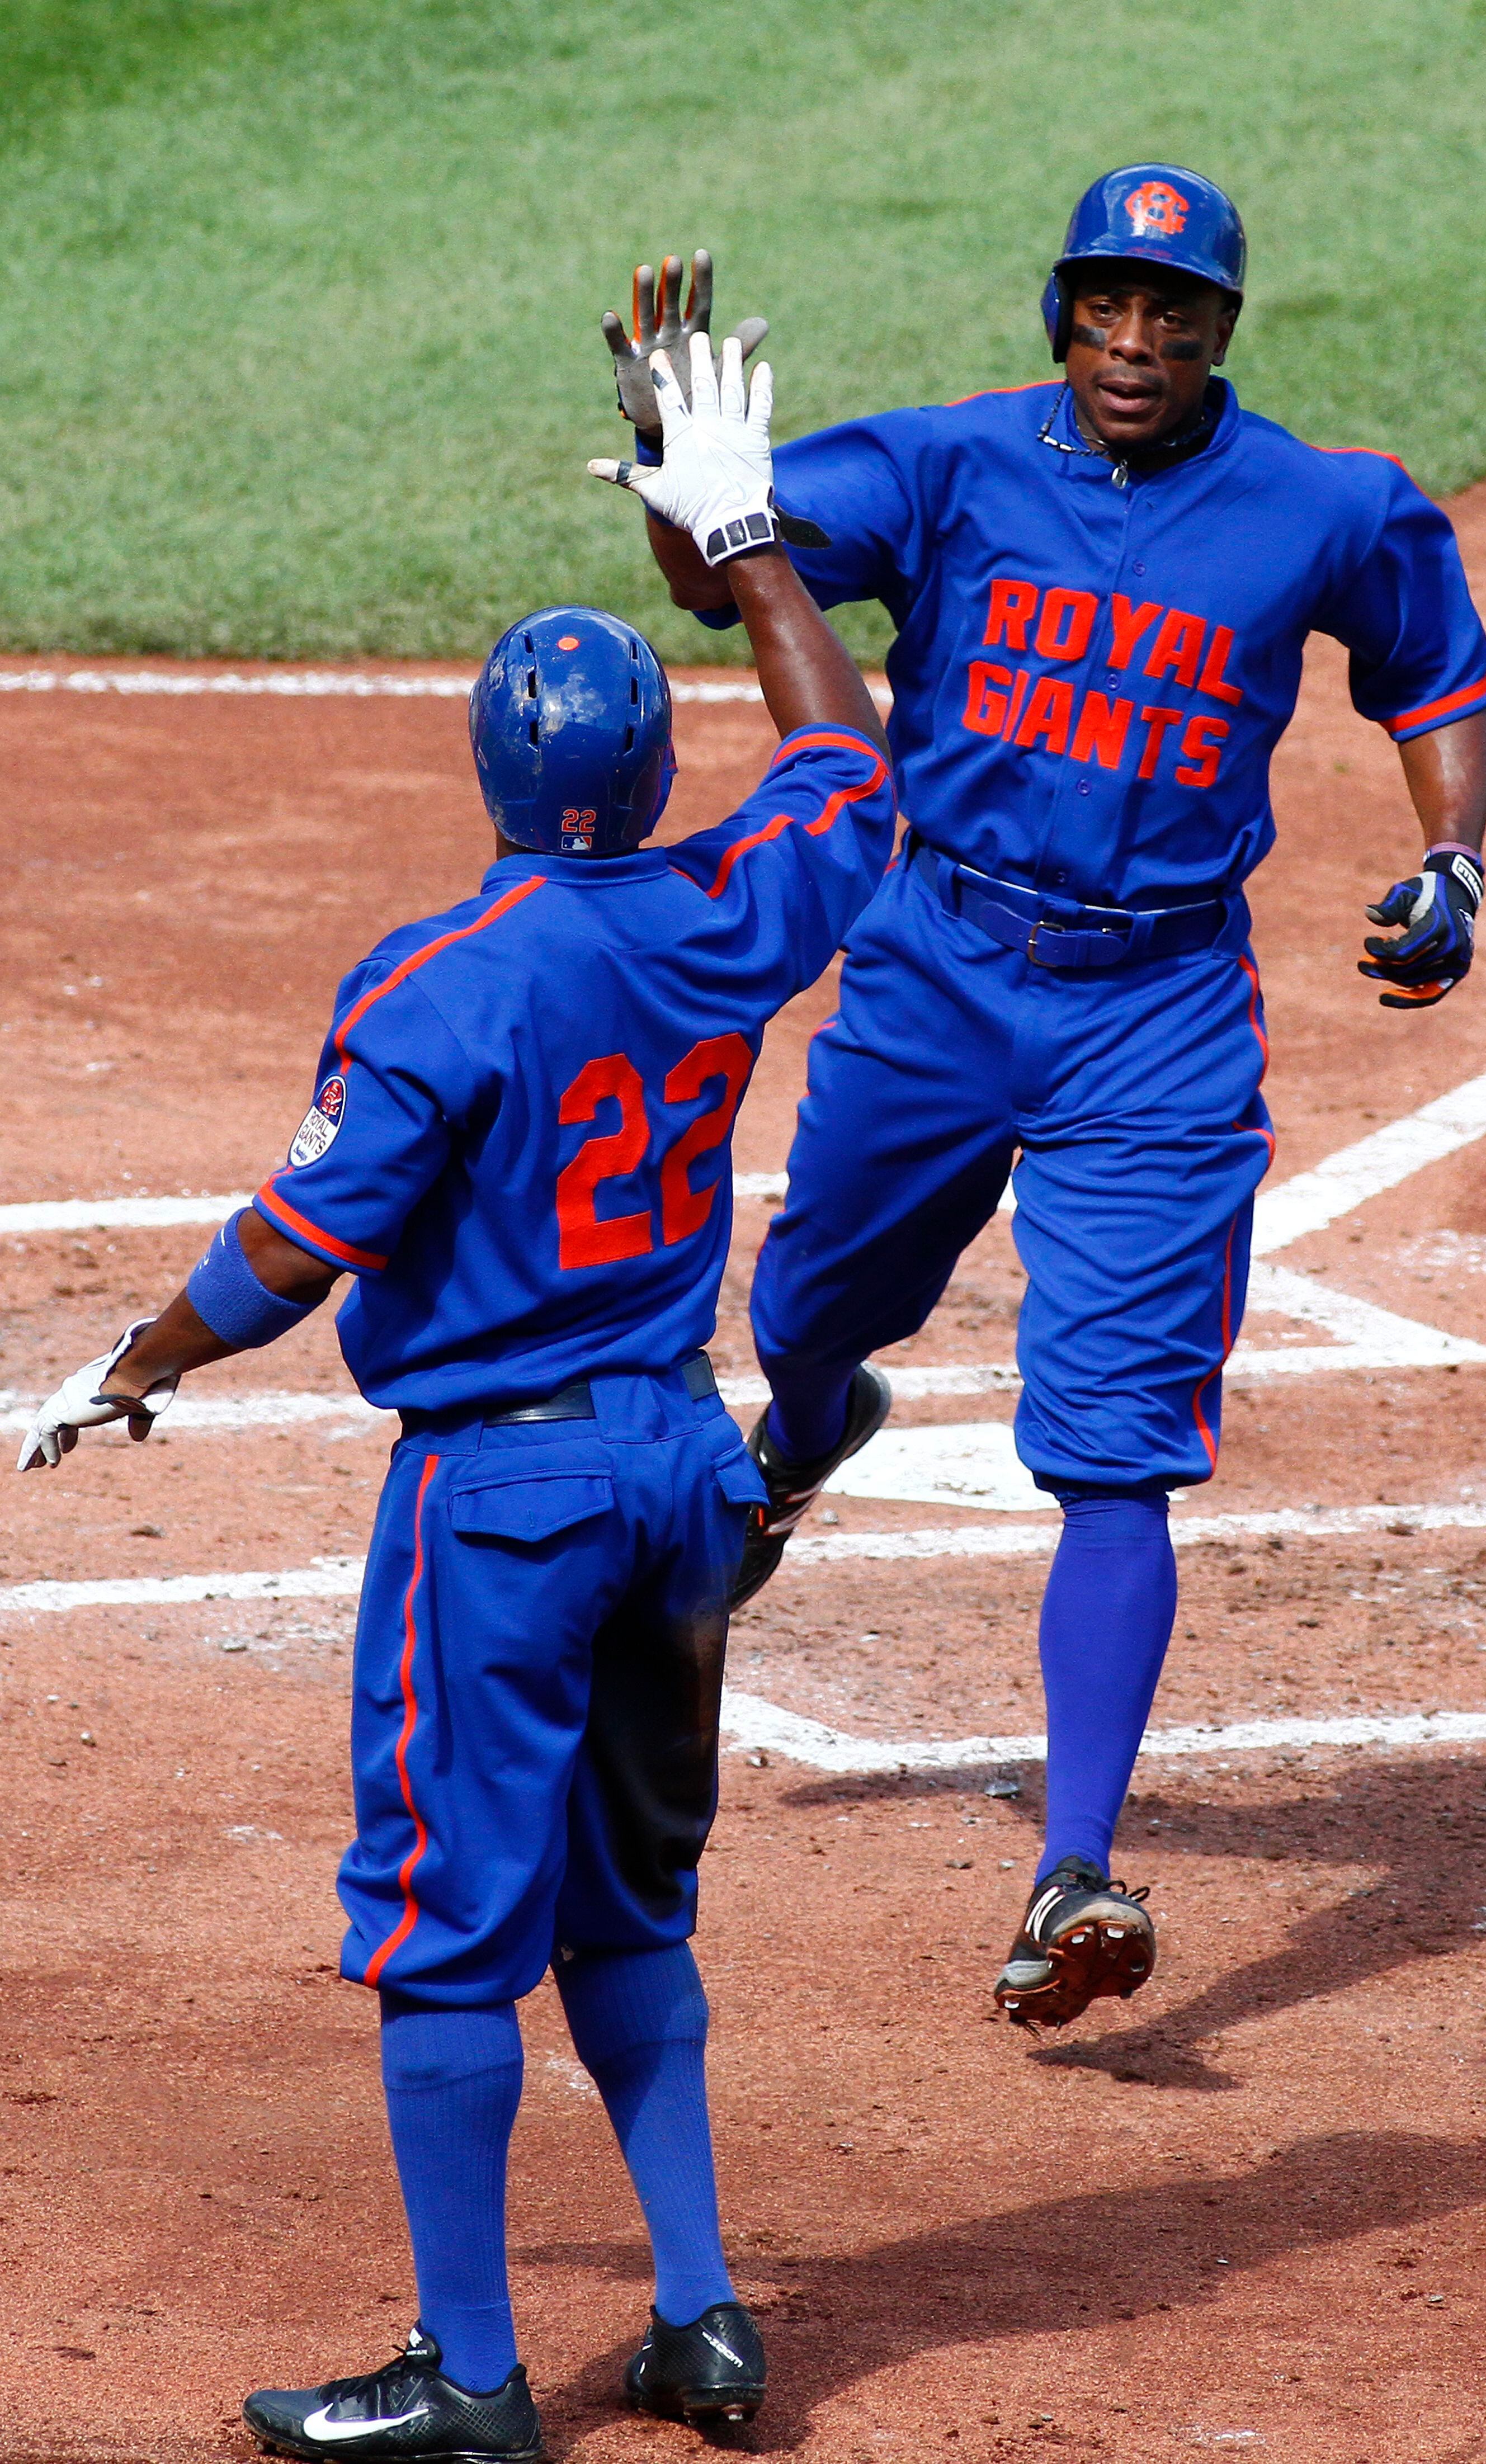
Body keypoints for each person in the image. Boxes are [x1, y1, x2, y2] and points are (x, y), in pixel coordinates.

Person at [18, 337, 894, 2454]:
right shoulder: (731, 908)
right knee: (629, 1910)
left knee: (440, 1938)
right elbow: (851, 764)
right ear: (646, 776)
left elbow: (295, 1249)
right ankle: (699, 2321)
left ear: (496, 781)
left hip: (501, 1505)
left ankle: (474, 2381)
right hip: (681, 1464)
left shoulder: (435, 983)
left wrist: (133, 1368)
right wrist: (749, 540)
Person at [605, 169, 1486, 2031]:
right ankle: (816, 1413)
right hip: (939, 966)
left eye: (1176, 314)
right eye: (1109, 307)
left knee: (1117, 1445)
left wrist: (1456, 858)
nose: (1139, 343)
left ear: (1223, 333)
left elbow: (1435, 678)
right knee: (807, 1313)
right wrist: (686, 488)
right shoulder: (950, 467)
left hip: (1162, 1012)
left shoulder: (1328, 508)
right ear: (1059, 316)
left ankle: (1073, 1864)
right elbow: (725, 575)